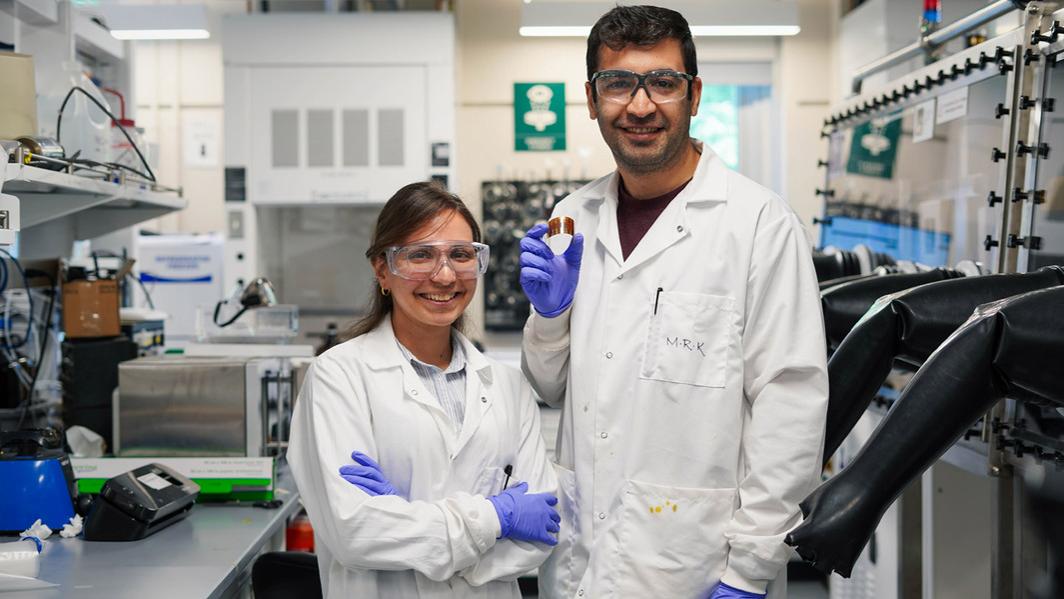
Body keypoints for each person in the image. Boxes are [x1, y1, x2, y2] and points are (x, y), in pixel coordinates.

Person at [519, 6, 828, 599]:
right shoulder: (572, 215)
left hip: (701, 566)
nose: (639, 107)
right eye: (617, 83)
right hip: (582, 561)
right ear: (591, 99)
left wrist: (750, 570)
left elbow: (791, 406)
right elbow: (549, 386)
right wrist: (550, 317)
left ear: (694, 94)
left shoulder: (758, 224)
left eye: (662, 82)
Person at [287, 182, 560, 598]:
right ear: (382, 270)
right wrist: (497, 519)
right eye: (420, 255)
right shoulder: (337, 376)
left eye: (461, 255)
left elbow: (537, 541)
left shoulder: (507, 385)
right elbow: (354, 533)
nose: (445, 275)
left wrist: (406, 521)